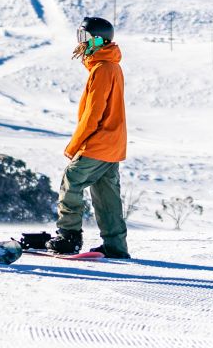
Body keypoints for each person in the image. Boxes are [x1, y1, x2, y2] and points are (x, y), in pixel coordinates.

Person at [48, 15, 129, 259]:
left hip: (99, 141)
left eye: (85, 37)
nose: (81, 43)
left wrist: (75, 145)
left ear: (99, 40)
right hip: (112, 144)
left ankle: (68, 236)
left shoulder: (103, 69)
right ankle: (115, 246)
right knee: (107, 196)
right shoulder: (110, 66)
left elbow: (94, 113)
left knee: (71, 181)